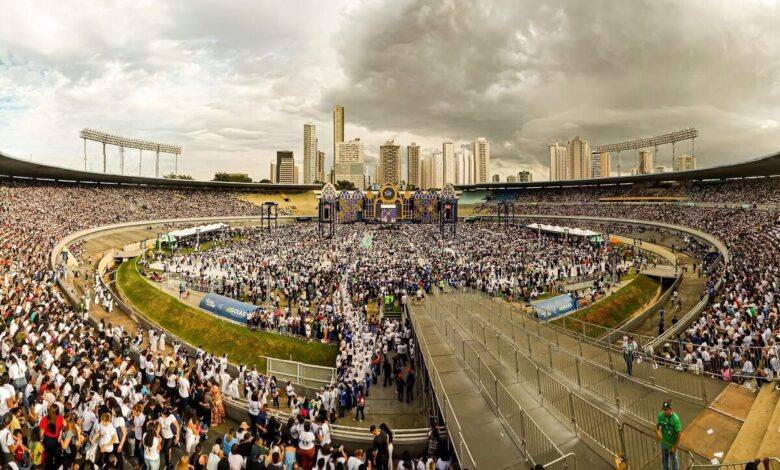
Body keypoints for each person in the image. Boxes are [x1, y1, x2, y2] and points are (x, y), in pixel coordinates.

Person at [656, 401, 682, 470]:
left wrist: (675, 447)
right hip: (664, 442)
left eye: (666, 410)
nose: (665, 412)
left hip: (672, 444)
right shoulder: (661, 415)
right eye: (664, 410)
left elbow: (679, 434)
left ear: (671, 410)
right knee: (664, 459)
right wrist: (658, 433)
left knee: (674, 461)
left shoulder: (675, 419)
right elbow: (657, 427)